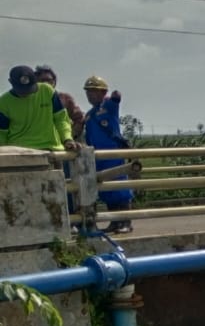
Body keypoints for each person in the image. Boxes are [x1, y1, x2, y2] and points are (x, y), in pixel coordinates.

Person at [82, 74, 134, 232]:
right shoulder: (89, 115)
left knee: (119, 189)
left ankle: (126, 222)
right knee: (107, 190)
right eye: (88, 92)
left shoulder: (108, 107)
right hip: (98, 157)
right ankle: (114, 221)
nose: (90, 95)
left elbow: (116, 99)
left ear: (103, 92)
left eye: (95, 91)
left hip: (112, 155)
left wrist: (115, 96)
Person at [0, 64, 74, 152]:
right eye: (21, 90)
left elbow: (61, 119)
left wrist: (67, 139)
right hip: (19, 153)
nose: (26, 93)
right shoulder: (3, 103)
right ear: (10, 82)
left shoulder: (47, 91)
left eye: (29, 89)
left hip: (51, 149)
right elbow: (2, 133)